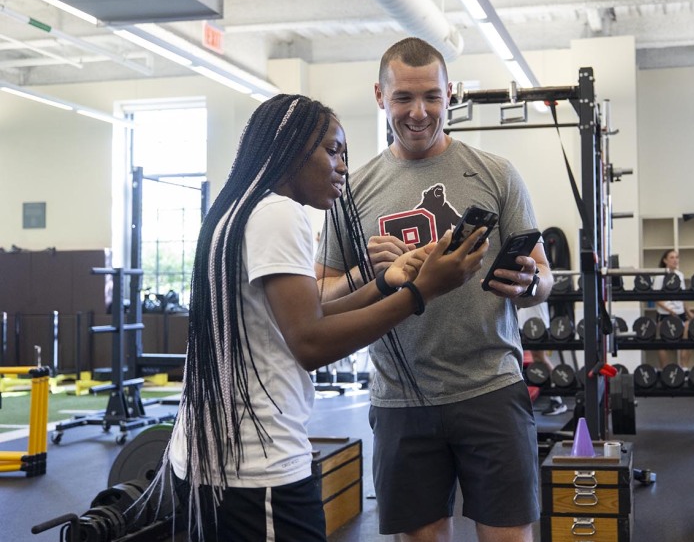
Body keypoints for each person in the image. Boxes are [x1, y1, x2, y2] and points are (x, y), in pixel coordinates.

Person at [152, 95, 488, 541]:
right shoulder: (278, 213)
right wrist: (423, 291)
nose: (343, 166)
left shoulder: (239, 208)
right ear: (288, 149)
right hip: (256, 469)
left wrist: (388, 282)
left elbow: (307, 315)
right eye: (332, 150)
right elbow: (311, 343)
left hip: (209, 462)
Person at [318, 37, 551, 542]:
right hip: (402, 398)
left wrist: (531, 282)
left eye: (432, 97)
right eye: (403, 98)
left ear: (451, 95)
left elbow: (543, 278)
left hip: (490, 386)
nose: (418, 112)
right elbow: (321, 296)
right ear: (380, 96)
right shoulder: (351, 192)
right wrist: (370, 275)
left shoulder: (496, 173)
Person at [516, 301, 568, 415]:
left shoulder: (538, 284)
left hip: (537, 325)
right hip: (529, 323)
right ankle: (555, 399)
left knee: (541, 359)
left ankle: (557, 401)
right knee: (538, 360)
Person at [653, 249, 694, 367]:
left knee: (688, 340)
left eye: (677, 257)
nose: (675, 260)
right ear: (665, 260)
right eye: (672, 257)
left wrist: (688, 312)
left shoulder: (680, 275)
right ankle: (664, 370)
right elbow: (656, 297)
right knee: (662, 343)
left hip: (680, 313)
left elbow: (683, 297)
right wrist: (669, 310)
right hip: (665, 314)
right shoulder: (660, 276)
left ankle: (684, 368)